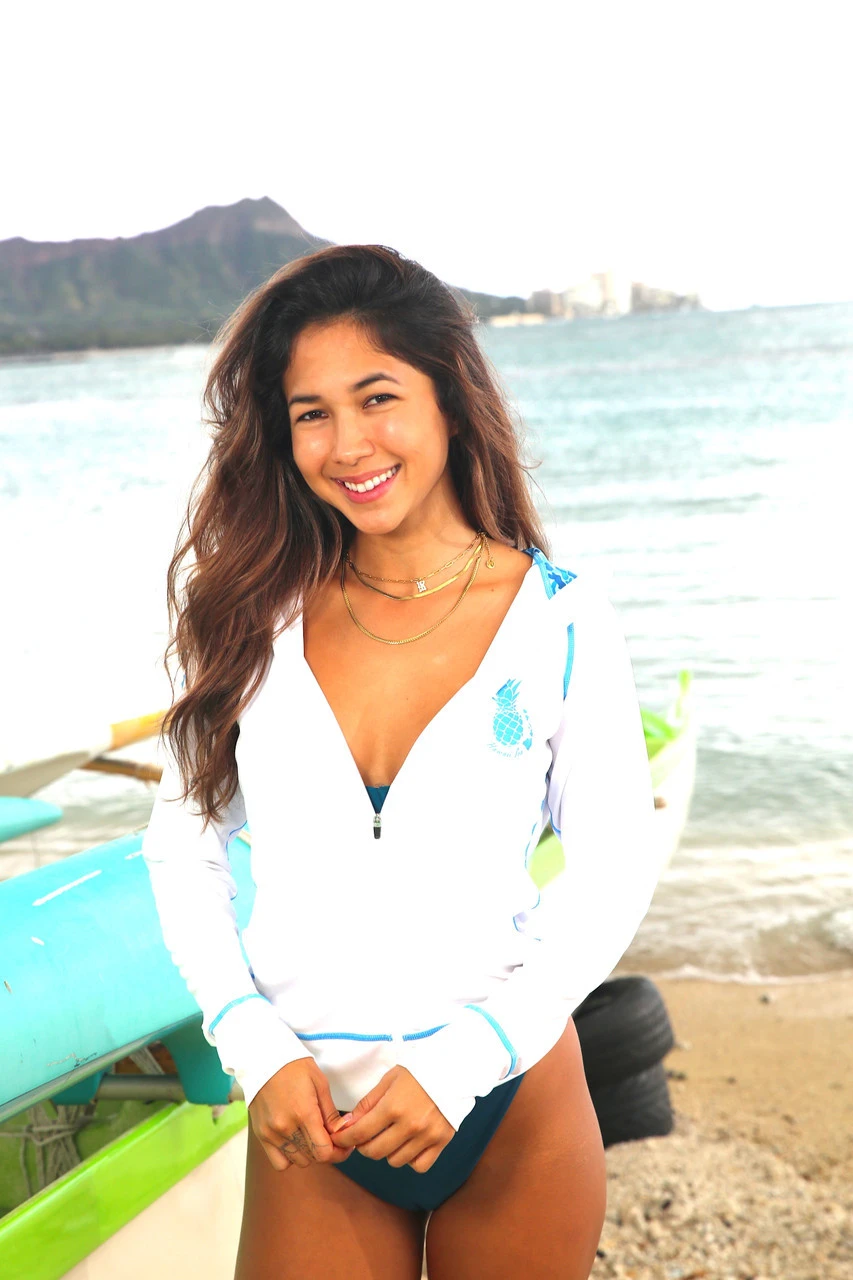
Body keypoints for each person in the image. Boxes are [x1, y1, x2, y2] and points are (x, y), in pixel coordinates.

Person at [141, 244, 660, 1279]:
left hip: (508, 1100)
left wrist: (469, 1057)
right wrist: (252, 1042)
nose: (348, 445)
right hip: (314, 1117)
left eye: (377, 398)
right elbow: (182, 848)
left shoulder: (557, 620)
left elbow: (613, 867)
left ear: (449, 400)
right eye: (312, 413)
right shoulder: (251, 620)